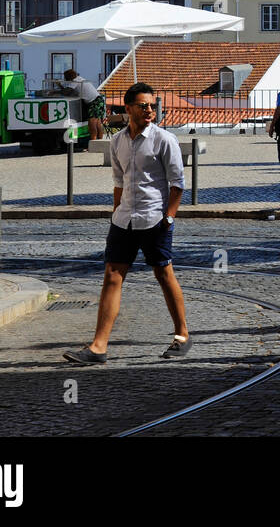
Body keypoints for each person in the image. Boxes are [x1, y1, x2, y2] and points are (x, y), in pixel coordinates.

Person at [65, 82, 190, 364]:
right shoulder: (118, 141)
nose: (149, 110)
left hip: (154, 218)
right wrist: (115, 213)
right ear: (128, 108)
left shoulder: (163, 140)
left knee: (163, 274)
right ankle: (98, 346)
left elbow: (178, 184)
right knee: (112, 276)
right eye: (143, 105)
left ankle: (182, 333)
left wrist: (169, 217)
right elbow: (119, 182)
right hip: (123, 220)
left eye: (152, 105)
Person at [62, 68, 105, 141]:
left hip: (94, 101)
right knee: (97, 122)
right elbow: (72, 91)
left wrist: (58, 90)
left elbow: (67, 92)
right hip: (99, 99)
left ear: (68, 76)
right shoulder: (80, 79)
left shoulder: (75, 81)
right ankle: (99, 141)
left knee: (92, 123)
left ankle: (93, 142)